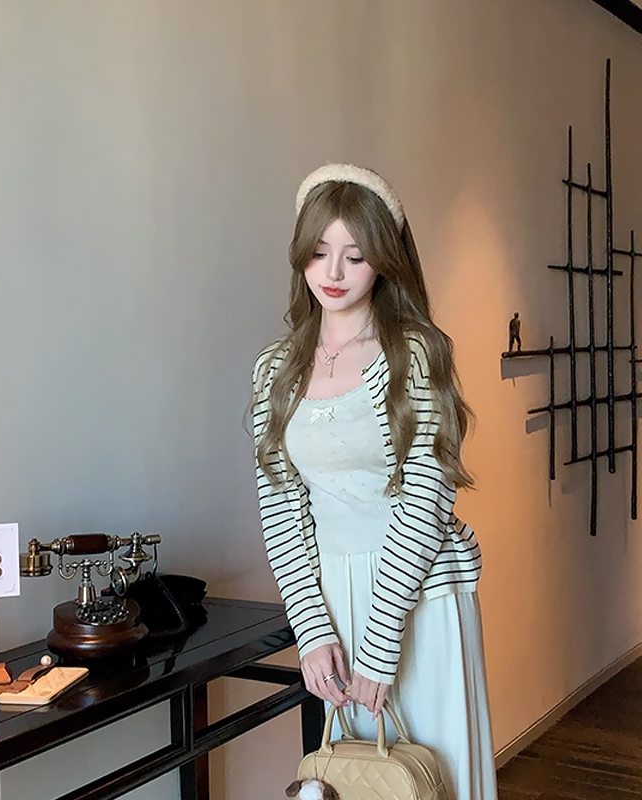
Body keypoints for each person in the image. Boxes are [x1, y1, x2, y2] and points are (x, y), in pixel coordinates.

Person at [251, 164, 497, 799]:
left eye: (355, 256)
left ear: (385, 260)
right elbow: (280, 505)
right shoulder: (274, 370)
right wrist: (311, 631)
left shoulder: (415, 355)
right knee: (359, 779)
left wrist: (382, 642)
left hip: (420, 595)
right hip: (331, 597)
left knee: (432, 777)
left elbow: (426, 499)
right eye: (319, 252)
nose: (333, 272)